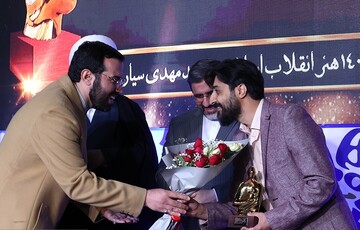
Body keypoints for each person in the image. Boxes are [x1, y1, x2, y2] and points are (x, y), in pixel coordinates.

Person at [0, 40, 190, 229]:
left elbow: (63, 172)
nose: (119, 87)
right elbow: (77, 183)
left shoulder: (68, 102)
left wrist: (100, 209)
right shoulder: (57, 112)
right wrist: (146, 198)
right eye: (114, 80)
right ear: (87, 76)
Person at [185, 58, 357, 229]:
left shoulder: (288, 118)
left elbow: (322, 182)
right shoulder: (240, 138)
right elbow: (244, 208)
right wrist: (203, 211)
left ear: (240, 90)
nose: (212, 100)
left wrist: (272, 219)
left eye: (217, 91)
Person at [58, 35, 161, 230]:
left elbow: (141, 158)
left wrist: (104, 156)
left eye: (116, 78)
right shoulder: (62, 110)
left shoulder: (127, 110)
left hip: (120, 213)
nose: (116, 86)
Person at [157, 59, 248, 229]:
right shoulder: (180, 123)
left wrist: (215, 194)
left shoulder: (243, 120)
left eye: (211, 93)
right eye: (199, 96)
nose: (206, 103)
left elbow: (255, 177)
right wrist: (179, 194)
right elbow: (162, 171)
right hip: (187, 223)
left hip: (230, 221)